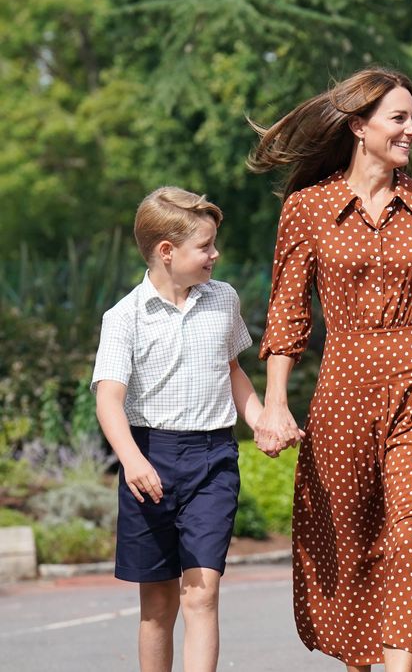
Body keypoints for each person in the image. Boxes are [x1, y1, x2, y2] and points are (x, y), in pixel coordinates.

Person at [247, 67, 412, 672]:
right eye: (399, 119)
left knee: (407, 541)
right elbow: (286, 315)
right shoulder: (307, 209)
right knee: (351, 550)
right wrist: (275, 402)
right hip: (341, 395)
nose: (411, 131)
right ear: (359, 126)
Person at [92, 186, 263, 672]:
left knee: (202, 593)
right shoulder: (124, 317)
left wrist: (261, 420)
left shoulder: (222, 299)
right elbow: (108, 398)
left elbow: (232, 371)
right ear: (167, 252)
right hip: (149, 458)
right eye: (205, 246)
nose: (216, 254)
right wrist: (132, 460)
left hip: (213, 460)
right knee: (158, 607)